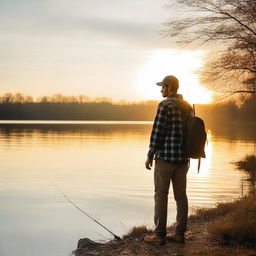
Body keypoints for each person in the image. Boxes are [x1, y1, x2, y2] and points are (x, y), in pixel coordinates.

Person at [144, 75, 193, 245]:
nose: (161, 90)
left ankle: (159, 235)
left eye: (162, 87)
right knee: (181, 197)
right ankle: (180, 234)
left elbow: (157, 132)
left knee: (161, 195)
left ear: (169, 87)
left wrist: (150, 154)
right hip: (183, 159)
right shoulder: (187, 106)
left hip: (165, 157)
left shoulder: (165, 105)